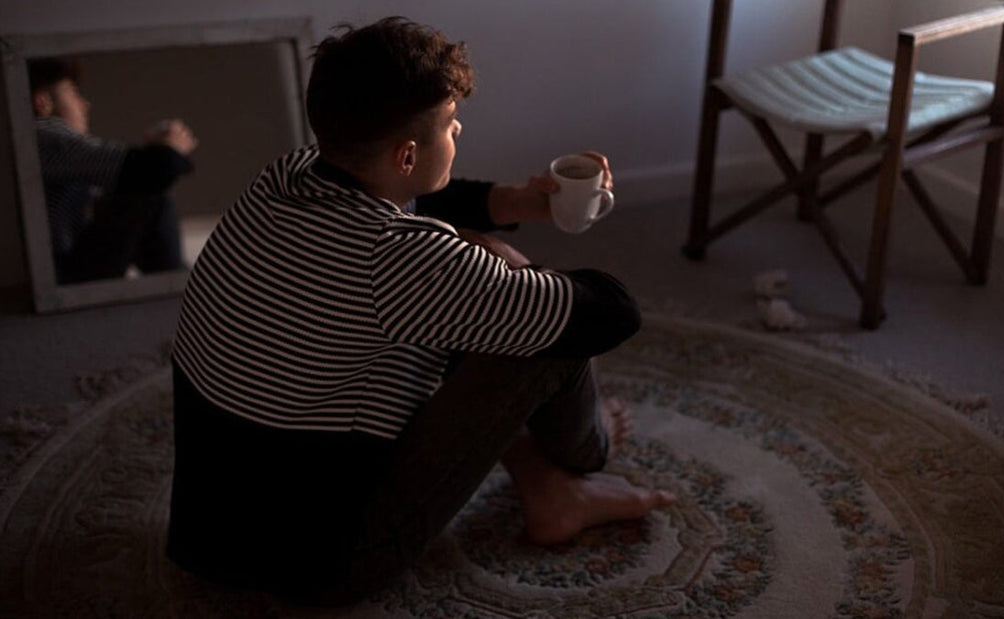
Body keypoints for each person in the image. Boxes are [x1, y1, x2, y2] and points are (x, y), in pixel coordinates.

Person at [166, 17, 674, 605]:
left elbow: (413, 193)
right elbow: (614, 313)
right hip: (322, 567)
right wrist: (509, 267)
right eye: (452, 125)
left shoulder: (282, 177)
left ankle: (546, 490)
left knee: (465, 312)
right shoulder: (398, 259)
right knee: (533, 335)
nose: (458, 131)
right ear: (408, 153)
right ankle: (585, 457)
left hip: (211, 540)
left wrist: (512, 204)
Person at [28, 57, 198, 283]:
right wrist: (169, 148)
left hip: (62, 268)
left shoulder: (49, 153)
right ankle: (184, 290)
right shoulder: (45, 135)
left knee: (145, 185)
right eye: (73, 93)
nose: (84, 105)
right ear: (43, 103)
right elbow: (155, 170)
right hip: (62, 272)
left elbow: (136, 176)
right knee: (152, 192)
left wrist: (158, 154)